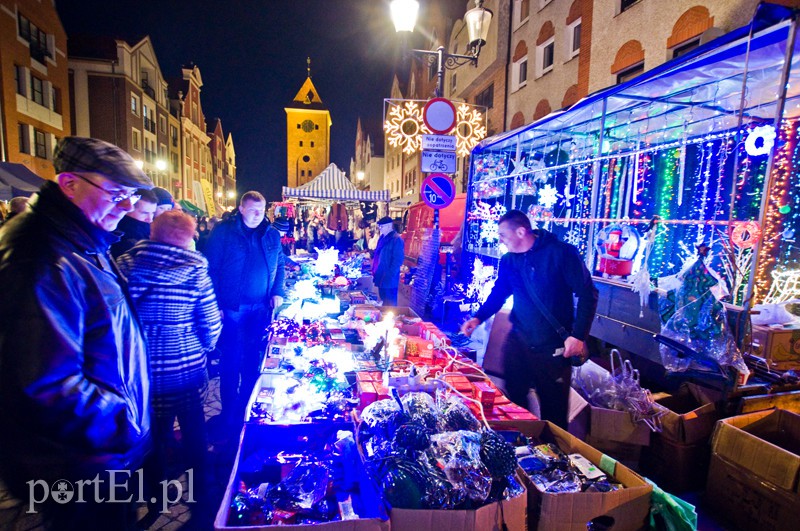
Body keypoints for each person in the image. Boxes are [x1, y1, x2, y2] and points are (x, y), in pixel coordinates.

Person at [0, 136, 153, 529]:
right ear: (69, 184)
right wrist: (126, 421)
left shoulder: (84, 237)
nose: (127, 206)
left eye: (132, 195)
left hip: (100, 453)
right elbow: (46, 384)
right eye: (117, 193)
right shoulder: (43, 255)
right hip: (80, 463)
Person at [116, 210, 221, 527]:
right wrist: (203, 346)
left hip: (142, 373)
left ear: (153, 231)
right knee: (194, 435)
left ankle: (155, 499)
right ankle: (202, 503)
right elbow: (211, 322)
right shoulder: (194, 270)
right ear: (188, 238)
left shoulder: (126, 265)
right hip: (184, 368)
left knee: (154, 438)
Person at [460, 210, 598, 429]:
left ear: (521, 231)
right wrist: (478, 317)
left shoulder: (561, 254)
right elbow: (500, 292)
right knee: (513, 399)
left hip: (552, 348)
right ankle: (521, 445)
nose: (500, 240)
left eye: (503, 235)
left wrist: (578, 336)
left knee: (554, 412)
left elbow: (588, 294)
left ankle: (554, 455)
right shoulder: (509, 261)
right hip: (519, 340)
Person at [205, 191, 286, 428]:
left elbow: (279, 264)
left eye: (261, 211)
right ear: (241, 209)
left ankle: (246, 408)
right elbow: (211, 269)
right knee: (231, 359)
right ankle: (228, 413)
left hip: (260, 309)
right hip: (232, 308)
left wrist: (277, 291)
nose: (257, 215)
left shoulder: (271, 234)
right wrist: (216, 303)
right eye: (252, 210)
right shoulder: (224, 232)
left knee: (254, 359)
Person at [110, 188, 158, 258]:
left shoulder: (148, 231)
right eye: (144, 213)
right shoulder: (122, 237)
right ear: (129, 209)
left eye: (153, 213)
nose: (150, 219)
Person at [372, 216, 405, 307]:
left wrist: (389, 274)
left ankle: (392, 319)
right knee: (383, 299)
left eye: (381, 227)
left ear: (388, 226)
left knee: (390, 302)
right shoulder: (382, 238)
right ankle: (385, 319)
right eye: (379, 227)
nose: (380, 229)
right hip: (381, 274)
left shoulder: (397, 239)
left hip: (389, 278)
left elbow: (398, 260)